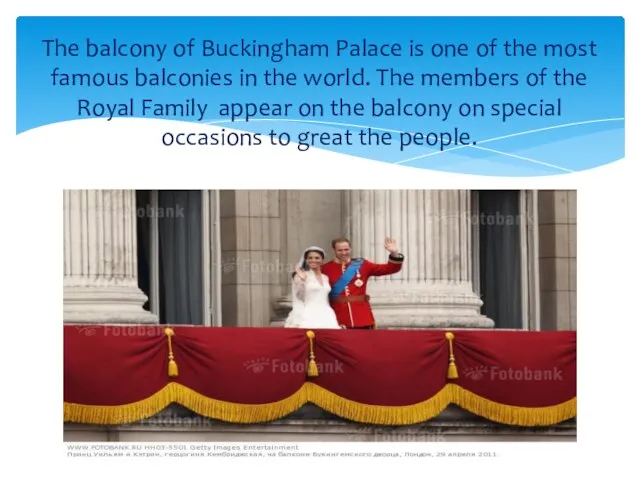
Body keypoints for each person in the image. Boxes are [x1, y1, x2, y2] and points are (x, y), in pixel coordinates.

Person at [322, 237, 404, 329]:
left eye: (346, 249)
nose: (344, 253)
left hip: (361, 316)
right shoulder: (325, 269)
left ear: (350, 249)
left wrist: (394, 253)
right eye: (340, 250)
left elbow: (390, 268)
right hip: (338, 316)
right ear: (334, 250)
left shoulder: (362, 265)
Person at [284, 246, 341, 329]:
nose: (313, 260)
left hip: (327, 314)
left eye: (317, 258)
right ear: (306, 260)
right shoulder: (301, 275)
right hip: (309, 313)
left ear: (322, 260)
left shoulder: (325, 277)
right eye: (310, 258)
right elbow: (299, 297)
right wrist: (302, 281)